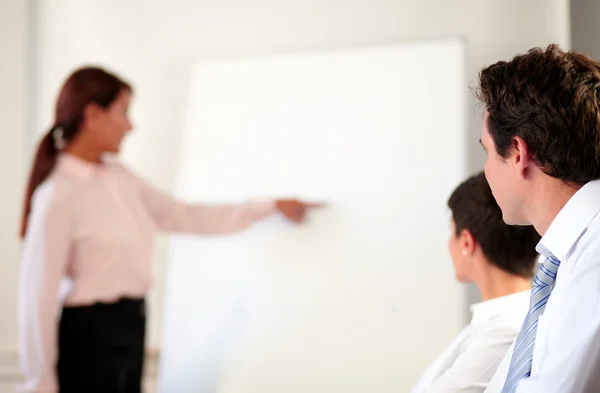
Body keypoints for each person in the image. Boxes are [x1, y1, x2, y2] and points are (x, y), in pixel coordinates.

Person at [17, 66, 322, 393]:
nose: (130, 125)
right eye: (123, 112)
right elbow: (37, 297)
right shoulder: (58, 196)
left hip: (131, 323)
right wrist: (41, 381)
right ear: (93, 114)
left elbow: (183, 215)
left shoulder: (119, 177)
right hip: (89, 334)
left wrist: (270, 206)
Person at [474, 44, 600, 393]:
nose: (484, 170)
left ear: (517, 153)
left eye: (486, 151)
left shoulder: (594, 256)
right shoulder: (561, 258)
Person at [410, 172, 540, 393]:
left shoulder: (504, 333)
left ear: (467, 242)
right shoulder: (500, 323)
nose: (449, 243)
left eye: (452, 231)